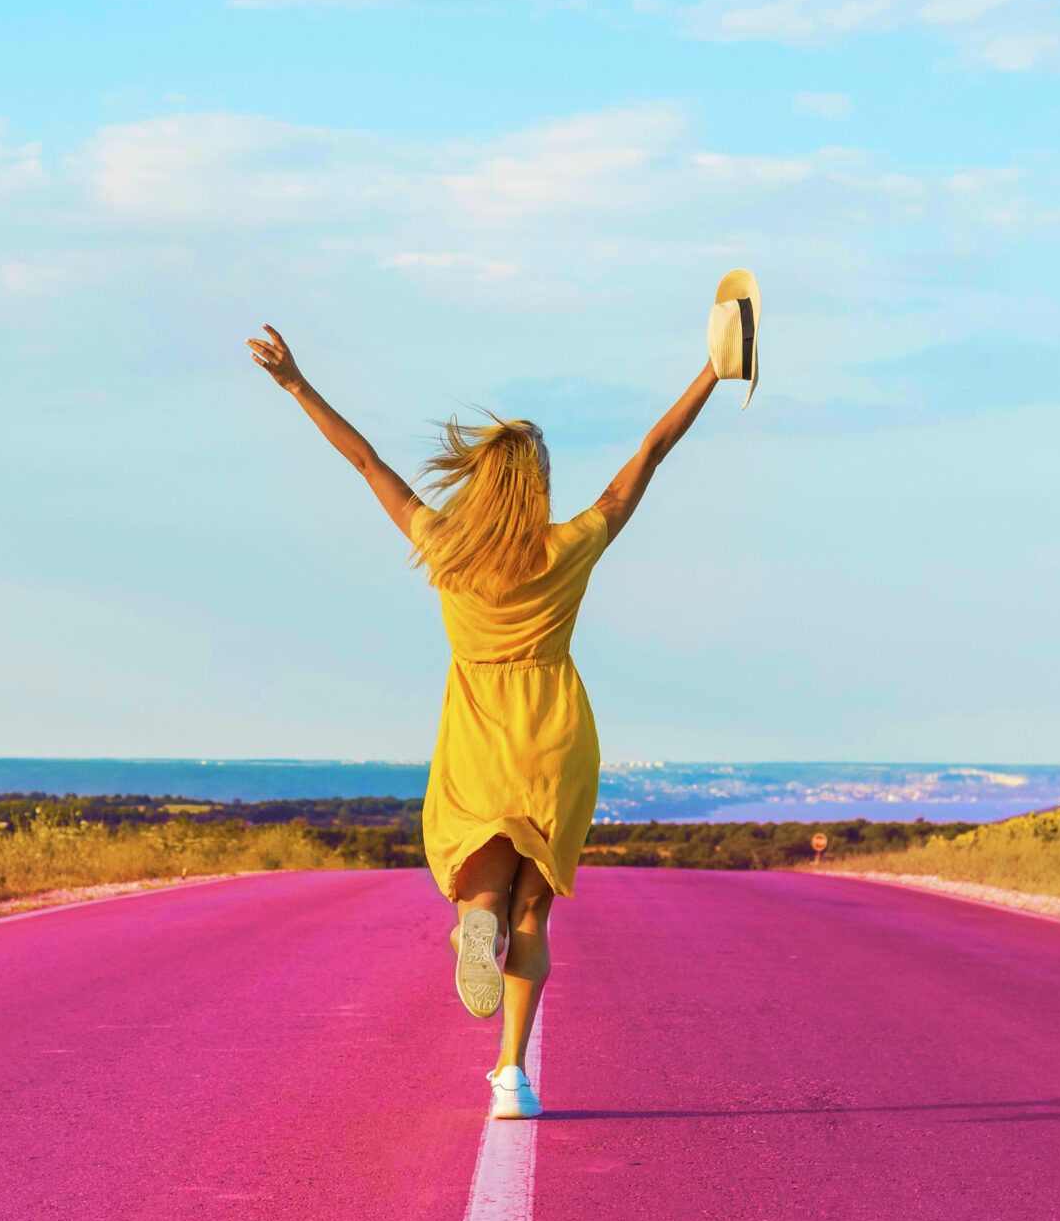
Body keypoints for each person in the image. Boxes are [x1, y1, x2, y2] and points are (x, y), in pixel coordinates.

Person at [246, 323, 722, 1119]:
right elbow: (649, 454)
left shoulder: (444, 546)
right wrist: (711, 369)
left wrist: (297, 383)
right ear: (534, 487)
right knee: (535, 912)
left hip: (474, 739)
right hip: (553, 737)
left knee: (487, 887)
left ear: (478, 481)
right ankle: (511, 1077)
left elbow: (367, 461)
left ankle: (475, 922)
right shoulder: (567, 546)